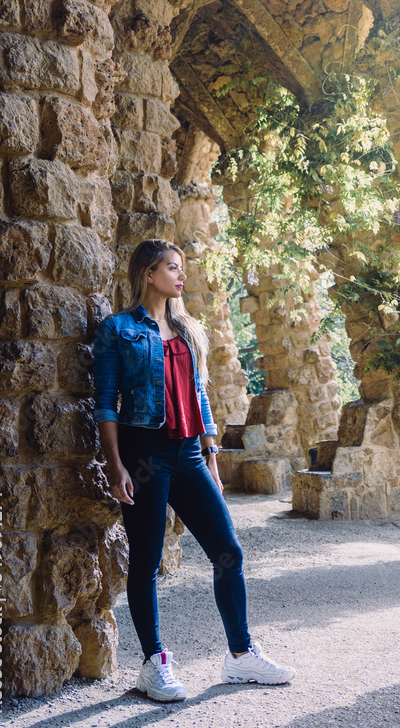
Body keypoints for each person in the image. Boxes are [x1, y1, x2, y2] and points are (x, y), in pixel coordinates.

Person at [93, 238, 296, 702]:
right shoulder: (118, 330)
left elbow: (199, 395)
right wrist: (115, 464)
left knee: (228, 550)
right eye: (172, 268)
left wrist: (211, 453)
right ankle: (154, 664)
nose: (181, 276)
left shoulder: (188, 330)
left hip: (187, 454)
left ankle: (241, 655)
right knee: (145, 564)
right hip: (143, 451)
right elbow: (105, 403)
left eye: (182, 268)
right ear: (148, 273)